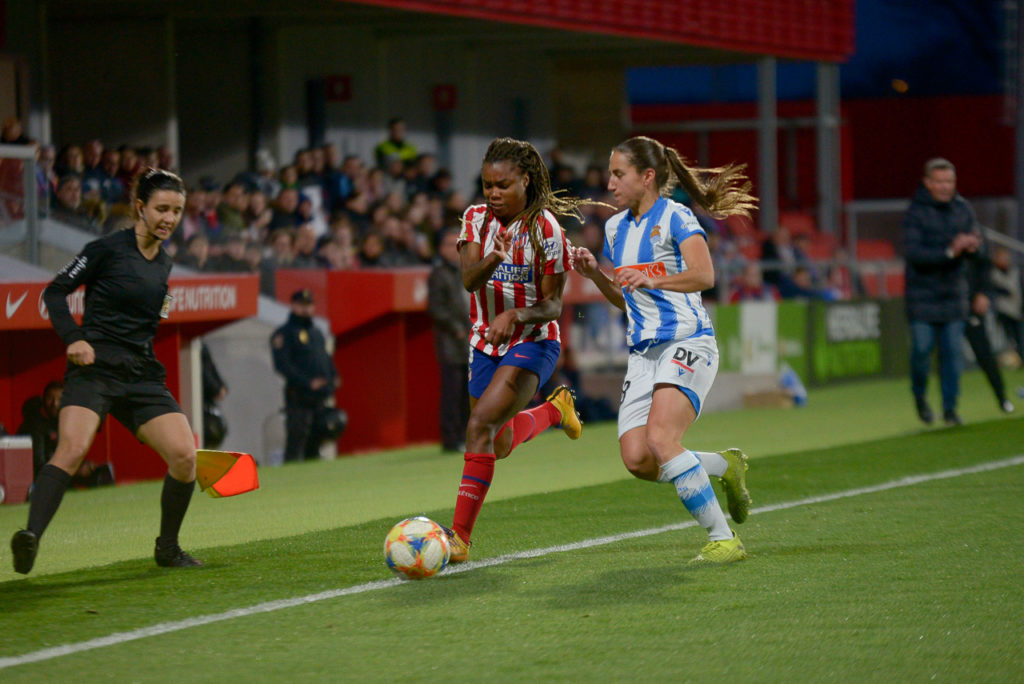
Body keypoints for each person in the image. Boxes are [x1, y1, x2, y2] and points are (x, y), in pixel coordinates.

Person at [571, 135, 758, 565]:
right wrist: (596, 275)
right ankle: (722, 466)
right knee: (637, 459)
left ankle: (724, 539)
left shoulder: (676, 217)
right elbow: (626, 297)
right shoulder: (616, 229)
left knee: (660, 438)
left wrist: (655, 280)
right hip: (643, 354)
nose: (610, 182)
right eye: (610, 174)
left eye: (619, 174)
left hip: (687, 341)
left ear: (647, 176)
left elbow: (704, 274)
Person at [10, 168, 202, 575]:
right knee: (73, 449)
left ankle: (167, 549)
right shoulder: (106, 249)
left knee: (185, 457)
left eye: (177, 211)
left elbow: (155, 313)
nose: (169, 218)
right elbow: (55, 291)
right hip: (94, 368)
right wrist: (73, 338)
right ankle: (30, 537)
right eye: (162, 208)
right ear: (139, 208)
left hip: (141, 373)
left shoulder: (165, 262)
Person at [441, 137, 594, 563]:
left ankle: (459, 540)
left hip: (534, 341)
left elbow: (553, 305)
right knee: (500, 442)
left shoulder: (546, 229)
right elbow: (469, 280)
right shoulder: (475, 218)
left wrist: (515, 316)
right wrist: (493, 258)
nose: (493, 194)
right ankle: (554, 410)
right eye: (487, 184)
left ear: (525, 181)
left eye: (502, 185)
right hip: (484, 341)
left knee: (478, 429)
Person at [903, 158, 981, 426]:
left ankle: (950, 409)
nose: (945, 187)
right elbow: (915, 255)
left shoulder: (963, 209)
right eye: (939, 181)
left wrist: (972, 246)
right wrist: (950, 252)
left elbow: (979, 251)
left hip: (954, 294)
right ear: (928, 183)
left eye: (949, 181)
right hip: (921, 295)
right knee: (922, 351)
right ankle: (920, 396)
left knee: (952, 352)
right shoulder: (915, 212)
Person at [270, 289, 340, 462]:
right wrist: (307, 382)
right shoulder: (284, 333)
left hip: (319, 396)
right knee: (297, 438)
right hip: (299, 396)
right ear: (293, 306)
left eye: (309, 305)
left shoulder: (316, 332)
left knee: (319, 437)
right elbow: (283, 365)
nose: (306, 309)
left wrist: (333, 376)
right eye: (302, 305)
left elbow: (325, 358)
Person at [427, 228, 471, 452]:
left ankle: (466, 435)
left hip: (469, 341)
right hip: (451, 343)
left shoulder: (466, 269)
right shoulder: (439, 274)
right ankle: (451, 439)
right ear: (441, 248)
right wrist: (455, 328)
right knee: (452, 394)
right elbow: (435, 308)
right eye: (449, 244)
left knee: (468, 393)